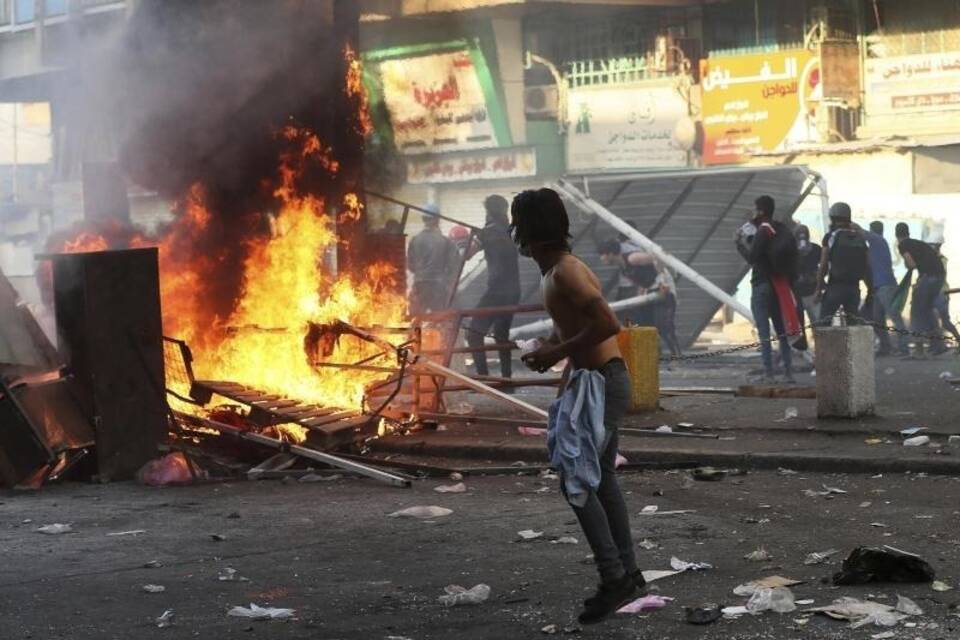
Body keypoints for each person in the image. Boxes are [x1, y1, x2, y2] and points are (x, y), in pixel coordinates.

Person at [511, 188, 639, 624]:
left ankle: (614, 577)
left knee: (577, 481)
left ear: (530, 232)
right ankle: (629, 573)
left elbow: (607, 324)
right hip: (589, 382)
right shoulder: (554, 272)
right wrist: (555, 356)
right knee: (599, 480)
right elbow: (576, 329)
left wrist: (554, 353)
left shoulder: (566, 271)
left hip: (603, 382)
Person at [735, 195, 796, 382]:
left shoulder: (762, 230)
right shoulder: (780, 229)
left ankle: (769, 373)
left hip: (761, 284)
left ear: (760, 211)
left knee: (763, 330)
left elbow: (753, 258)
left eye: (755, 209)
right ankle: (788, 373)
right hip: (777, 285)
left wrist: (740, 245)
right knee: (781, 330)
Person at [465, 195, 521, 379]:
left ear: (488, 212)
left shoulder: (487, 232)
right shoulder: (511, 231)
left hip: (496, 291)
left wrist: (470, 238)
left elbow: (466, 255)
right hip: (513, 291)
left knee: (473, 334)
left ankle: (483, 378)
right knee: (501, 335)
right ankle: (506, 378)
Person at [815, 203, 872, 325]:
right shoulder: (860, 237)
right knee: (853, 327)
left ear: (832, 217)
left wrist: (818, 289)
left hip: (835, 287)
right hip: (854, 288)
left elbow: (823, 265)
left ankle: (827, 345)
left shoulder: (831, 236)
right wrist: (870, 290)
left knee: (823, 325)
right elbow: (867, 266)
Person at [896, 222, 946, 357]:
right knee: (927, 309)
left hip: (928, 277)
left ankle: (919, 351)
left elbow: (911, 264)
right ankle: (939, 345)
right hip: (939, 276)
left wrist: (914, 274)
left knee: (916, 311)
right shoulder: (916, 243)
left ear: (897, 235)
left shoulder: (903, 244)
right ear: (908, 232)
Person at [861, 221, 908, 356]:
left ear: (873, 230)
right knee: (876, 318)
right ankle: (886, 347)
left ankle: (903, 348)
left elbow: (860, 231)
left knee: (894, 317)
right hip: (879, 287)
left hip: (886, 286)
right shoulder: (876, 246)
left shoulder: (878, 241)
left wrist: (846, 223)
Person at [407, 207, 459, 316]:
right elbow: (453, 267)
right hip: (438, 286)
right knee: (439, 319)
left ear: (423, 219)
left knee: (416, 319)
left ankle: (417, 333)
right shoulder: (445, 241)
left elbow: (410, 266)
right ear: (437, 220)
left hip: (419, 284)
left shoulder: (415, 240)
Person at [929, 236, 959, 353]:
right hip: (937, 293)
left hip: (940, 293)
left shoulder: (941, 260)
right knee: (933, 321)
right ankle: (936, 346)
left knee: (943, 322)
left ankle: (939, 346)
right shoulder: (935, 259)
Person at [793, 225, 822, 328]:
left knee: (819, 323)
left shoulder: (816, 249)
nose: (802, 236)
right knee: (798, 327)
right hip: (796, 294)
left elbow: (825, 266)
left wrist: (816, 276)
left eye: (804, 233)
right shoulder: (790, 251)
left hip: (813, 292)